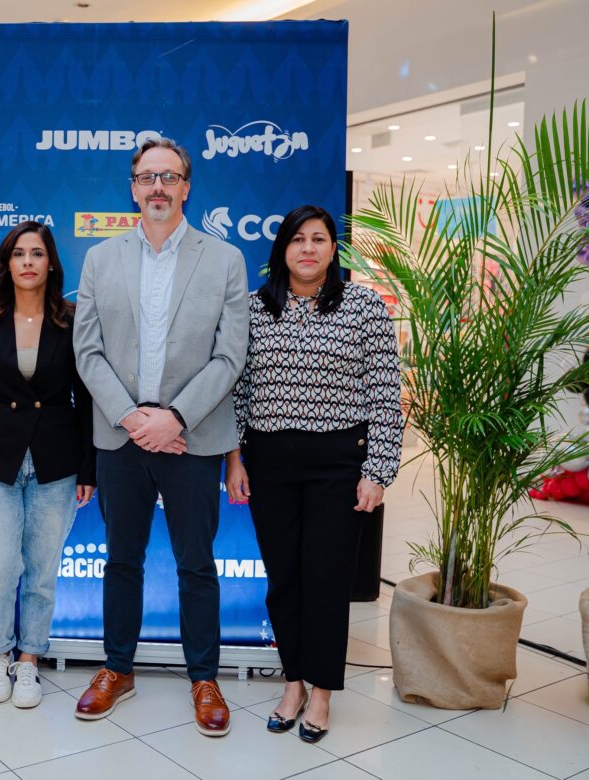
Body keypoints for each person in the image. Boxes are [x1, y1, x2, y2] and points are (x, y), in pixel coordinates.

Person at [71, 137, 249, 737]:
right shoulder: (100, 259)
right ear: (132, 188)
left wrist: (174, 418)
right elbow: (88, 352)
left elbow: (229, 357)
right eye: (147, 177)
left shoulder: (224, 259)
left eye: (169, 177)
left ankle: (204, 678)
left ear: (186, 187)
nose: (157, 187)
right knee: (122, 559)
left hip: (191, 437)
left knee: (196, 563)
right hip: (120, 436)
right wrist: (133, 418)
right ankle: (117, 668)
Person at [225, 204, 403, 744]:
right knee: (284, 581)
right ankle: (293, 683)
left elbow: (385, 394)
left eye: (319, 239)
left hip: (339, 465)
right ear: (282, 249)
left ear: (333, 249)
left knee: (326, 581)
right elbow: (238, 391)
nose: (308, 248)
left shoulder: (364, 306)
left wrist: (378, 471)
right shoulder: (254, 308)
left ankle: (322, 692)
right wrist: (234, 458)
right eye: (297, 239)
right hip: (269, 462)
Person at [0, 221, 96, 709]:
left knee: (42, 570)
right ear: (7, 263)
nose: (28, 262)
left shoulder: (72, 320)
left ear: (51, 263)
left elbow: (87, 399)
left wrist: (89, 469)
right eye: (19, 253)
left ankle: (29, 658)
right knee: (0, 566)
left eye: (37, 253)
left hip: (57, 461)